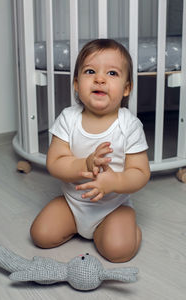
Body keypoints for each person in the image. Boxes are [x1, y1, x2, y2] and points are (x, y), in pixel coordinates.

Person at [30, 39, 150, 263]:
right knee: (41, 235)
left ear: (126, 88)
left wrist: (113, 182)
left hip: (113, 206)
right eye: (90, 71)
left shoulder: (129, 125)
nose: (100, 79)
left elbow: (140, 173)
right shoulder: (69, 118)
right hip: (73, 202)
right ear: (77, 84)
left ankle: (124, 228)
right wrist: (84, 164)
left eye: (112, 73)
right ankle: (82, 227)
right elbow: (55, 162)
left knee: (119, 251)